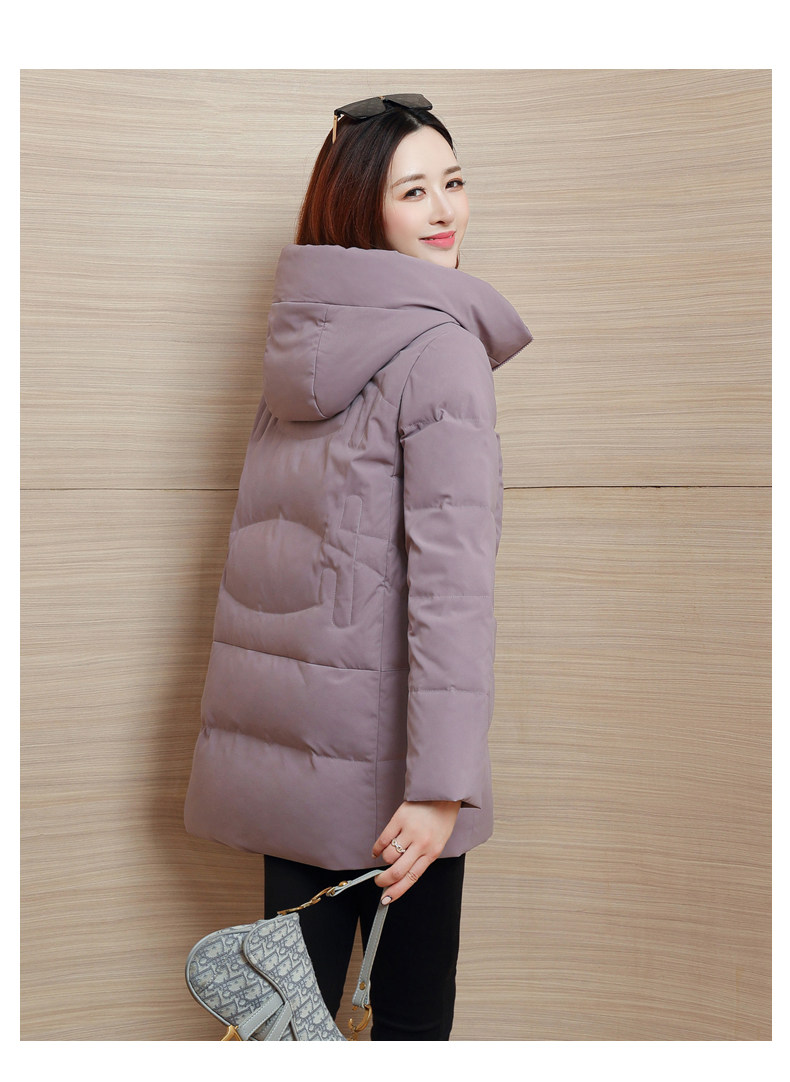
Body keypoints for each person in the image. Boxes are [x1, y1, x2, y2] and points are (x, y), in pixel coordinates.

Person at [184, 92, 532, 1041]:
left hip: (294, 768)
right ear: (359, 208)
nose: (445, 212)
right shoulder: (442, 351)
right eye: (412, 192)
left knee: (287, 1033)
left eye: (452, 183)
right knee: (411, 1027)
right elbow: (452, 592)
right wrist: (440, 789)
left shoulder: (302, 341)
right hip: (395, 782)